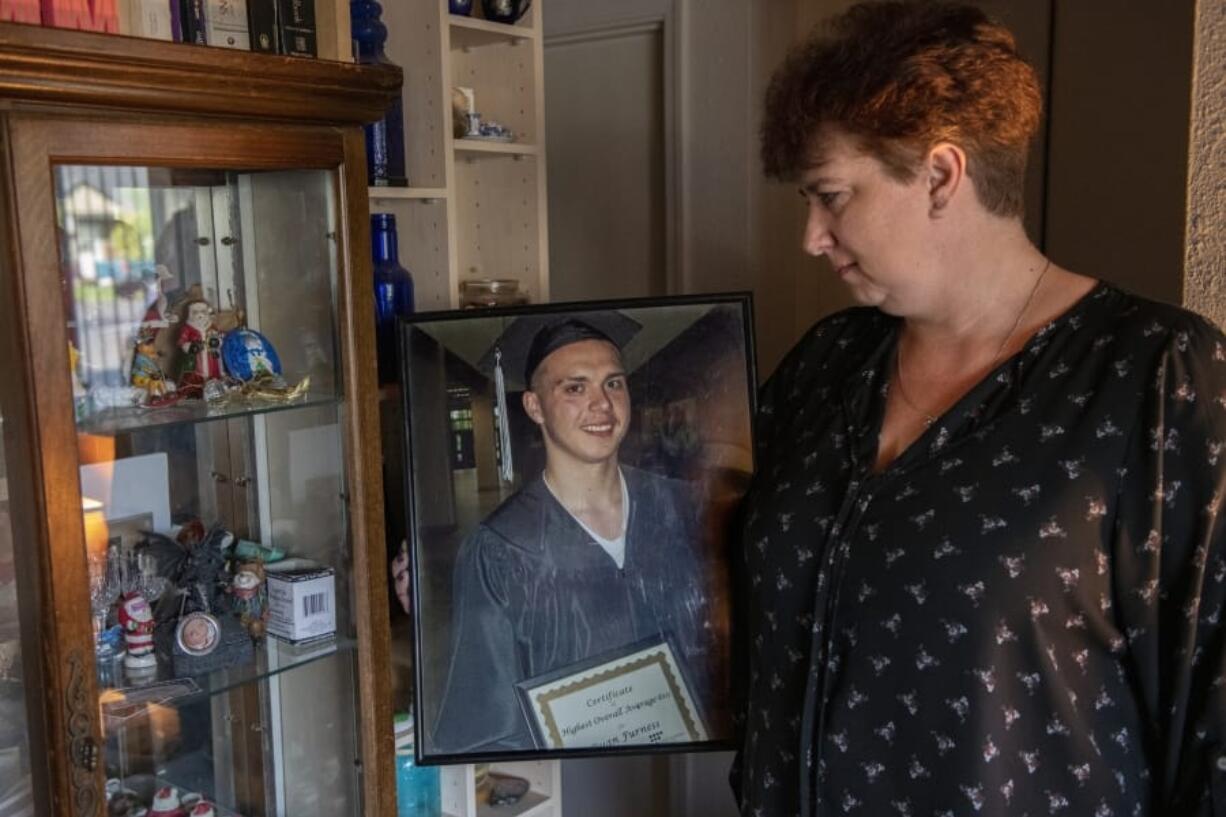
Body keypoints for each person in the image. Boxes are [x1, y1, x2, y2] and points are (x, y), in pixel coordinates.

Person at [733, 3, 1226, 816]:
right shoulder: (824, 367)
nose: (811, 236)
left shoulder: (1155, 375)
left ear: (940, 175)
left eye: (830, 196)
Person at [430, 319, 713, 754]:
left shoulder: (683, 506)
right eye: (575, 388)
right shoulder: (500, 548)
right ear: (534, 406)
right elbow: (484, 729)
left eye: (613, 384)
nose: (602, 404)